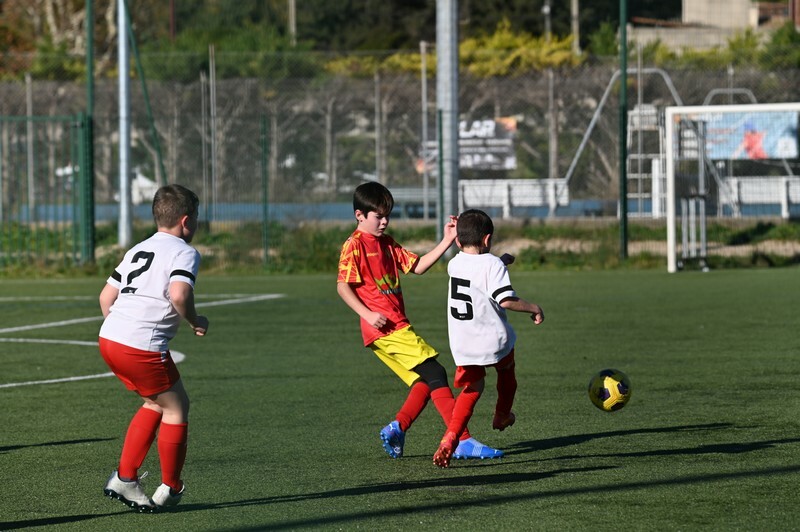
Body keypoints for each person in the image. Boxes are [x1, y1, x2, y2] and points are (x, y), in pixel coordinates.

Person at [337, 182, 502, 461]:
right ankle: (461, 440)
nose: (384, 221)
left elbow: (418, 266)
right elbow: (343, 286)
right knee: (436, 372)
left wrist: (447, 240)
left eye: (387, 216)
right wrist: (368, 314)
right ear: (359, 215)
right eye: (378, 216)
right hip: (386, 328)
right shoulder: (354, 245)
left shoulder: (387, 243)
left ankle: (397, 427)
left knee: (424, 383)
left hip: (393, 326)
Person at [98, 184, 209, 512]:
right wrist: (195, 320)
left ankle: (126, 477)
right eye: (196, 218)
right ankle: (170, 487)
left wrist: (123, 328)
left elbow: (106, 297)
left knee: (156, 402)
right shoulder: (185, 251)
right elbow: (179, 294)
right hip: (140, 346)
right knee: (177, 407)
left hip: (110, 338)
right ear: (186, 221)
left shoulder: (138, 248)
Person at [433, 209, 544, 468]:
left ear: (458, 241)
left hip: (463, 344)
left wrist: (500, 262)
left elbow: (477, 272)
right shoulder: (492, 265)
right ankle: (501, 415)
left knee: (472, 389)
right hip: (493, 341)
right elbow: (505, 299)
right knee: (507, 372)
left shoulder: (454, 264)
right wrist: (533, 307)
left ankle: (451, 437)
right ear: (487, 239)